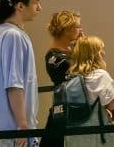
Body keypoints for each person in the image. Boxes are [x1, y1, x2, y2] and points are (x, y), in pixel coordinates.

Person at [0, 0, 42, 147]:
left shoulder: (0, 32)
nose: (39, 8)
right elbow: (14, 84)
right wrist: (22, 125)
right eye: (36, 3)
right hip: (14, 130)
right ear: (20, 6)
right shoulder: (13, 35)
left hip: (5, 128)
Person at [65, 36, 114, 147]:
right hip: (95, 132)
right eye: (100, 50)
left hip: (72, 133)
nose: (103, 53)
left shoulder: (70, 77)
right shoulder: (100, 75)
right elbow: (113, 107)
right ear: (94, 54)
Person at [40, 10, 84, 147]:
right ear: (66, 29)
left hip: (75, 112)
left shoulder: (69, 52)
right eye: (78, 26)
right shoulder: (56, 58)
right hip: (64, 114)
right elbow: (85, 72)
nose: (81, 30)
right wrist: (85, 49)